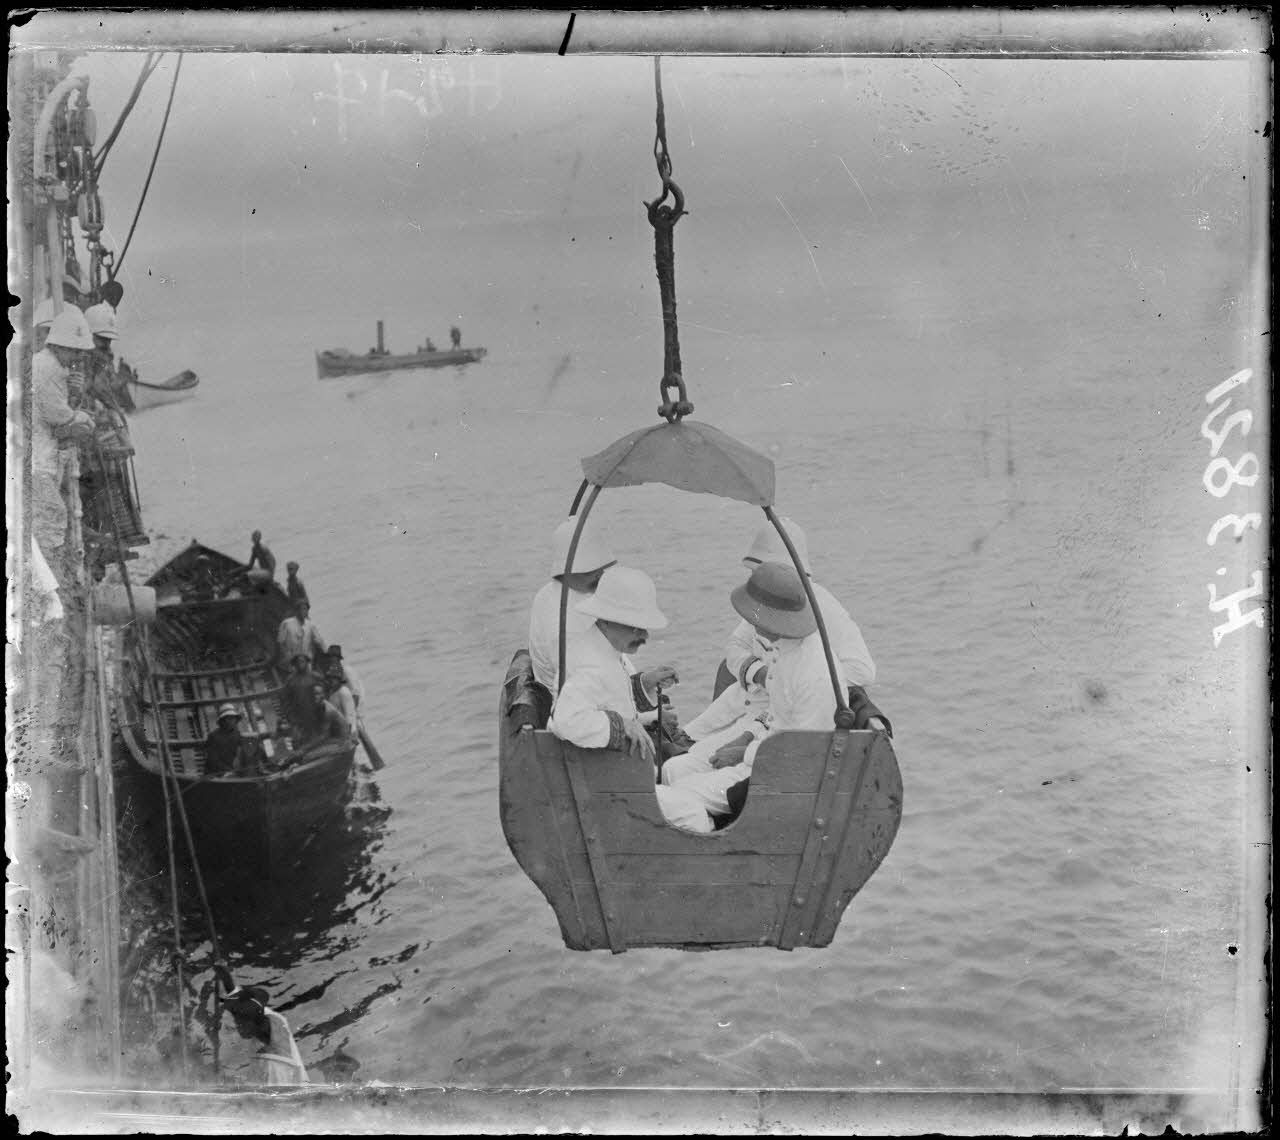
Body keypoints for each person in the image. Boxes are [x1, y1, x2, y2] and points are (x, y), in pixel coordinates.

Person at [662, 562, 851, 830]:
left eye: (755, 614)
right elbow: (777, 716)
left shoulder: (812, 673)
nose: (750, 620)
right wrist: (747, 737)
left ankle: (711, 843)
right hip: (763, 754)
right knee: (674, 770)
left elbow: (801, 753)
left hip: (775, 776)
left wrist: (744, 754)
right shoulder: (784, 651)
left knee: (677, 796)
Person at [547, 566, 711, 834]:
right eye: (636, 628)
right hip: (609, 787)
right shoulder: (592, 665)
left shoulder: (600, 648)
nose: (645, 636)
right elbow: (566, 721)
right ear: (608, 620)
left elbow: (607, 705)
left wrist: (644, 712)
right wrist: (623, 725)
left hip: (615, 774)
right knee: (694, 812)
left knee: (689, 786)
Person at [682, 518, 877, 743]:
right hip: (746, 702)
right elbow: (735, 646)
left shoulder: (824, 607)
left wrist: (792, 680)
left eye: (761, 572)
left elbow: (862, 670)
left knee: (699, 756)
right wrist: (762, 674)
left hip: (777, 718)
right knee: (685, 742)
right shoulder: (765, 604)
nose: (754, 580)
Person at [31, 306, 95, 563]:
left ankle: (50, 568)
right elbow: (60, 416)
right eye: (74, 351)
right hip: (38, 458)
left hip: (40, 454)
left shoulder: (49, 366)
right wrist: (83, 418)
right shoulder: (48, 368)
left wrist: (74, 393)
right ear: (60, 346)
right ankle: (50, 571)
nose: (77, 357)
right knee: (51, 517)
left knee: (50, 515)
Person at [214, 965, 310, 1085]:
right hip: (281, 1069)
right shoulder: (260, 1010)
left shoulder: (270, 1025)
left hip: (283, 1074)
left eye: (240, 1022)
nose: (238, 1026)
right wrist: (224, 975)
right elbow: (237, 996)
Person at [295, 681, 350, 747]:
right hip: (330, 739)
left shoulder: (329, 711)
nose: (313, 696)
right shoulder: (316, 706)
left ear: (323, 696)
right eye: (311, 694)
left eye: (316, 694)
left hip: (340, 741)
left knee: (307, 751)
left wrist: (304, 748)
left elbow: (323, 736)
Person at [204, 704, 252, 775]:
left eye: (234, 718)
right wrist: (228, 771)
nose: (232, 721)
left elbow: (243, 752)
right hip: (215, 773)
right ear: (223, 720)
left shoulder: (237, 734)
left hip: (233, 771)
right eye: (229, 718)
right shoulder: (213, 736)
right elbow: (213, 760)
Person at [276, 599, 326, 666]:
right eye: (301, 609)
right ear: (296, 610)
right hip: (291, 660)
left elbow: (319, 641)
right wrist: (287, 656)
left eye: (305, 609)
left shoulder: (311, 625)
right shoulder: (286, 623)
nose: (303, 611)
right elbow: (280, 642)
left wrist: (326, 652)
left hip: (306, 661)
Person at [279, 653, 321, 730]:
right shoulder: (290, 680)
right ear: (294, 665)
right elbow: (285, 699)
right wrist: (290, 717)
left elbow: (324, 695)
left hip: (316, 714)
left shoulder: (315, 677)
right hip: (299, 717)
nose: (300, 664)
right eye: (297, 662)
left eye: (302, 661)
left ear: (307, 663)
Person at [323, 662, 359, 742]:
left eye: (333, 678)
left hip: (348, 732)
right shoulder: (332, 693)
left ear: (338, 679)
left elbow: (349, 715)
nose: (331, 681)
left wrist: (348, 735)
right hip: (339, 730)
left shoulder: (344, 692)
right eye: (329, 678)